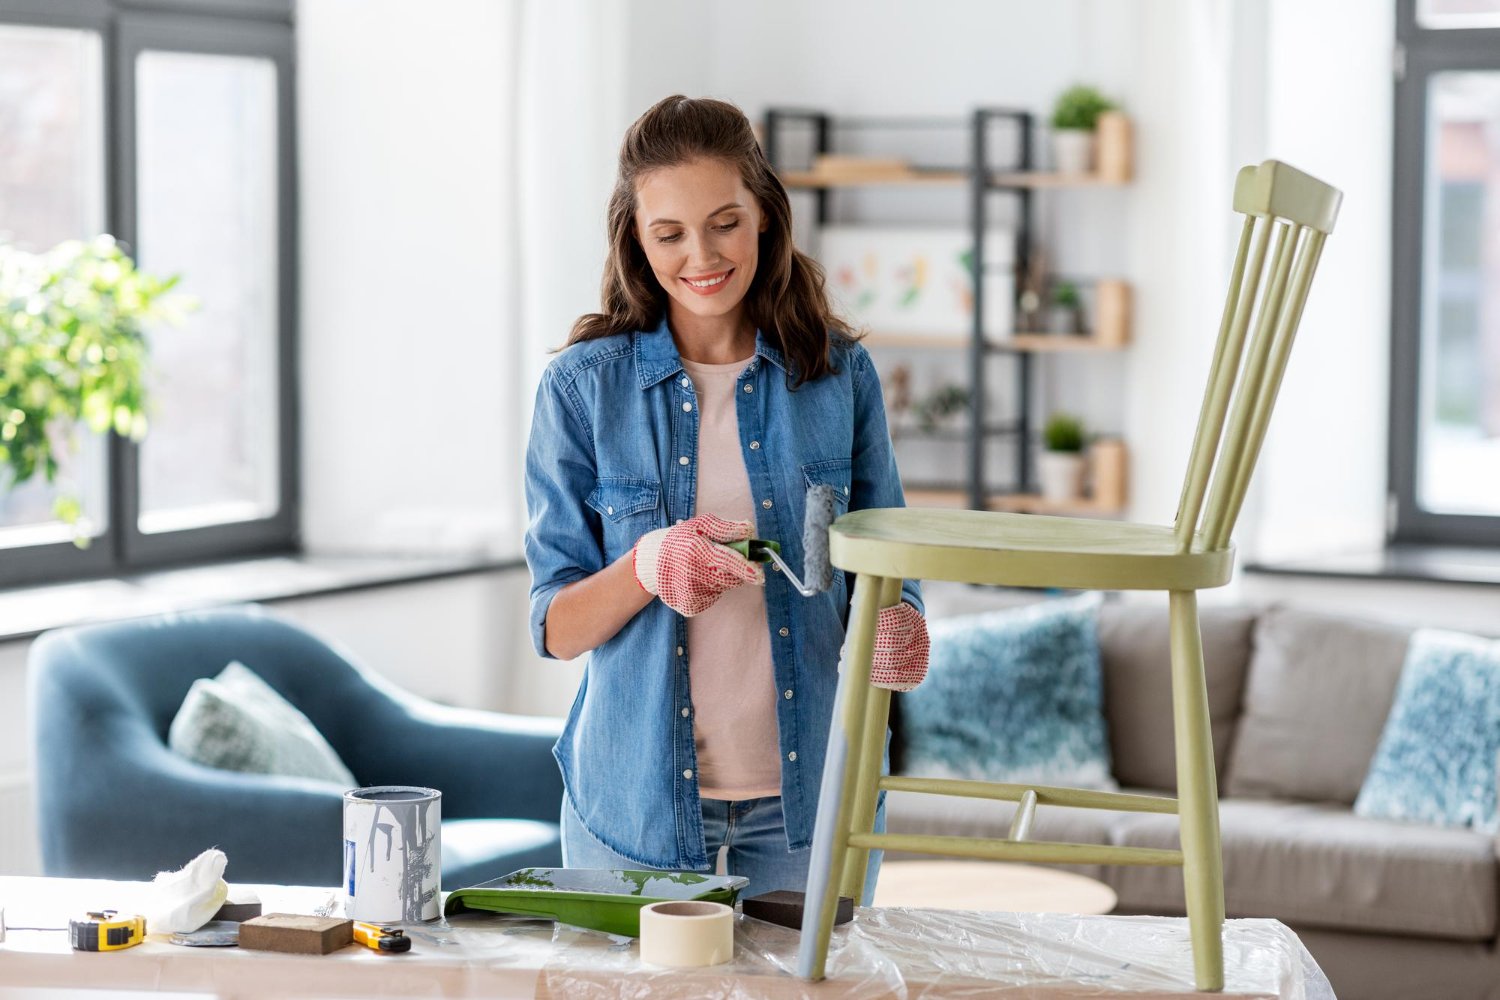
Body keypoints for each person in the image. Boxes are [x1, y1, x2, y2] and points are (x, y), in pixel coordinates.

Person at [524, 94, 929, 902]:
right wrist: (647, 565)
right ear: (637, 240)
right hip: (633, 810)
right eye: (669, 232)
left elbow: (888, 564)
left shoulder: (836, 375)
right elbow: (555, 628)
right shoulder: (580, 391)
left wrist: (905, 621)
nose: (701, 255)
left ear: (765, 219)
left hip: (814, 803)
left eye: (724, 222)